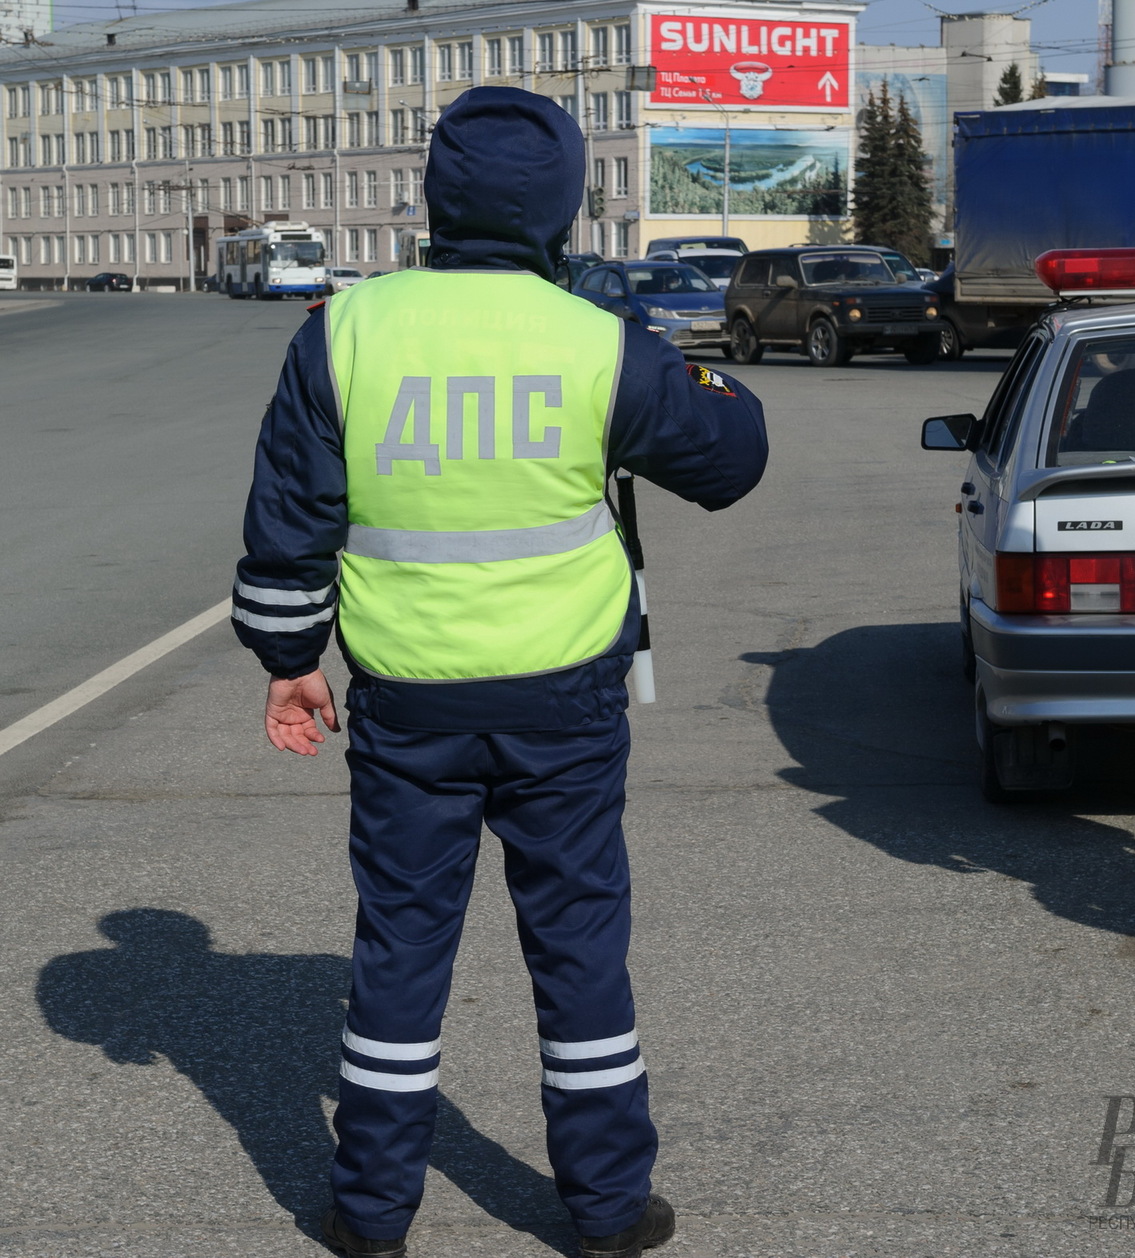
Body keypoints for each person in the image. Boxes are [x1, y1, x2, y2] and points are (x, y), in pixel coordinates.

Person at [230, 88, 767, 1257]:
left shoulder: (346, 330)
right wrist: (673, 360)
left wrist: (287, 662)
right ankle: (607, 1208)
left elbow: (288, 524)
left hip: (407, 700)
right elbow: (731, 461)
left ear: (436, 197)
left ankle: (370, 1216)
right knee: (577, 946)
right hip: (563, 701)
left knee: (401, 950)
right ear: (564, 203)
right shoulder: (593, 336)